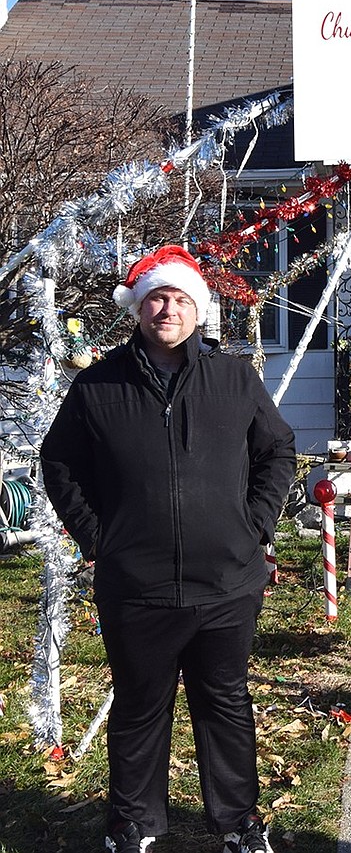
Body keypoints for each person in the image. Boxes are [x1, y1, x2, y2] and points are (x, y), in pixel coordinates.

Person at [41, 245, 296, 853]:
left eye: (181, 299)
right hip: (137, 585)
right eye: (158, 296)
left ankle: (237, 824)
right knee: (138, 708)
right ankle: (134, 826)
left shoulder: (234, 378)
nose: (168, 309)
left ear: (198, 309)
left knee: (225, 704)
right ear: (138, 305)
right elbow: (59, 463)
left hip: (227, 584)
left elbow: (277, 451)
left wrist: (254, 526)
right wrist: (99, 538)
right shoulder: (99, 384)